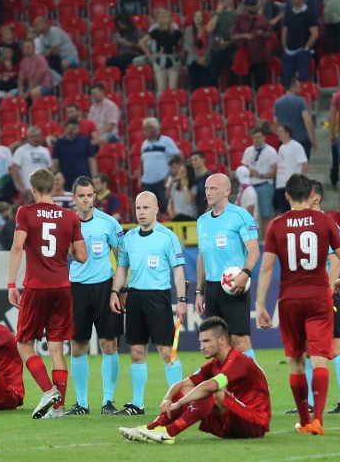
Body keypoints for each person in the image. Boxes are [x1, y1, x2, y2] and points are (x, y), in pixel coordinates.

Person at [255, 173, 340, 436]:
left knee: (296, 360)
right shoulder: (325, 221)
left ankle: (304, 419)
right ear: (311, 195)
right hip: (320, 296)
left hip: (290, 298)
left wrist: (260, 304)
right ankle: (318, 419)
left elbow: (266, 268)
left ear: (286, 196)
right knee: (320, 357)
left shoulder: (276, 225)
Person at [7, 168, 87, 419]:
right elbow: (82, 256)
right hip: (62, 287)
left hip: (36, 287)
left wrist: (11, 284)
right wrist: (65, 250)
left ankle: (47, 390)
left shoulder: (25, 212)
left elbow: (18, 245)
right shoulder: (70, 216)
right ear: (54, 188)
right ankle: (59, 407)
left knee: (24, 344)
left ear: (32, 189)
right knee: (56, 348)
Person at [118, 316, 270, 444]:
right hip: (232, 420)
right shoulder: (215, 364)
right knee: (188, 390)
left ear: (222, 340)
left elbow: (211, 386)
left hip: (255, 422)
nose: (201, 347)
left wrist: (180, 403)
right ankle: (150, 429)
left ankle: (168, 433)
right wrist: (167, 398)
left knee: (213, 393)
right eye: (200, 342)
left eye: (206, 341)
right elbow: (184, 384)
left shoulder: (238, 360)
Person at [109, 191, 187, 416]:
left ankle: (179, 401)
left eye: (145, 208)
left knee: (166, 352)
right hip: (135, 298)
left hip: (158, 298)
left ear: (156, 209)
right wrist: (115, 292)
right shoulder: (129, 238)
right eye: (138, 208)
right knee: (136, 351)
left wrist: (181, 300)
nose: (141, 212)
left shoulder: (167, 237)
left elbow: (178, 271)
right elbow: (122, 267)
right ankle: (137, 404)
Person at [63, 176, 125, 416]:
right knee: (77, 345)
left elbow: (122, 257)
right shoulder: (66, 224)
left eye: (90, 195)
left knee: (109, 344)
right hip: (75, 289)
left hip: (104, 288)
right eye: (81, 195)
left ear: (95, 196)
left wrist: (120, 289)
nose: (86, 199)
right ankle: (81, 404)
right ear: (74, 198)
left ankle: (108, 402)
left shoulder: (109, 223)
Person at [195, 173, 260, 360]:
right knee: (216, 344)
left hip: (234, 286)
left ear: (227, 191)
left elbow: (254, 250)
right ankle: (226, 387)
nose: (208, 192)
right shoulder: (202, 221)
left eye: (213, 188)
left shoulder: (240, 216)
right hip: (212, 288)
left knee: (240, 340)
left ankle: (256, 384)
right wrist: (199, 291)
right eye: (207, 188)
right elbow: (202, 257)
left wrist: (245, 273)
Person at [140, 117, 181, 213]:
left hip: (162, 181)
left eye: (146, 128)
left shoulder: (166, 141)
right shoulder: (144, 144)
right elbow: (142, 161)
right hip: (147, 182)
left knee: (167, 206)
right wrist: (140, 177)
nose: (143, 131)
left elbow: (178, 157)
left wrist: (170, 175)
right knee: (148, 209)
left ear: (154, 128)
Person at [241, 127, 277, 235]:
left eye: (259, 137)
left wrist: (260, 175)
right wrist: (248, 171)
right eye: (254, 138)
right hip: (250, 186)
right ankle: (253, 239)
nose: (256, 140)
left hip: (265, 184)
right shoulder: (248, 151)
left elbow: (274, 171)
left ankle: (266, 240)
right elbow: (243, 167)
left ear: (264, 137)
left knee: (265, 214)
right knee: (250, 215)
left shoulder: (271, 151)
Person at [230, 0, 271, 89]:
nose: (254, 8)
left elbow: (270, 34)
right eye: (251, 6)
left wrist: (263, 34)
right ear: (245, 7)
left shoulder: (262, 19)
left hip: (260, 56)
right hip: (245, 57)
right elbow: (232, 36)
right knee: (245, 86)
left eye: (255, 5)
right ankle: (247, 103)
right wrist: (244, 36)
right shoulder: (239, 19)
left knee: (261, 86)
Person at [139, 9, 183, 95]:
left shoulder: (176, 32)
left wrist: (179, 53)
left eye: (165, 17)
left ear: (170, 18)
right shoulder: (155, 31)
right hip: (160, 59)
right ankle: (161, 106)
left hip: (173, 59)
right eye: (161, 17)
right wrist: (149, 54)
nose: (164, 19)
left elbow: (181, 44)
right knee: (161, 87)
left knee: (173, 87)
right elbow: (141, 42)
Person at [280, 0, 318, 85]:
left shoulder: (309, 13)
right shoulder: (289, 13)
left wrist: (306, 48)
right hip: (289, 51)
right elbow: (284, 31)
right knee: (287, 77)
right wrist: (285, 47)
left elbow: (314, 33)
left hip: (302, 50)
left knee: (303, 76)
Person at [274, 79, 317, 159]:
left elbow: (275, 122)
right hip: (301, 140)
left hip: (285, 141)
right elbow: (307, 120)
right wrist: (313, 138)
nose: (300, 89)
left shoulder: (277, 102)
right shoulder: (301, 101)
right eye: (299, 87)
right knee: (302, 168)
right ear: (293, 87)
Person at [10, 127, 53, 205]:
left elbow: (50, 170)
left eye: (36, 136)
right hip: (28, 190)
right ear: (27, 137)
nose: (34, 139)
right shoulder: (21, 150)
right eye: (31, 136)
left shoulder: (45, 151)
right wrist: (21, 187)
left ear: (40, 136)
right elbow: (14, 170)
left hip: (43, 190)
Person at [274, 124, 309, 214]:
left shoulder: (296, 146)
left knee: (293, 212)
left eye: (280, 131)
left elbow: (304, 165)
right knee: (284, 213)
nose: (278, 133)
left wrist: (300, 182)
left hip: (291, 185)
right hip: (280, 185)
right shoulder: (281, 147)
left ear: (287, 133)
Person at [52, 120, 96, 189]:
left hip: (83, 179)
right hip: (65, 180)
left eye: (76, 129)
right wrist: (54, 179)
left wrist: (94, 178)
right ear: (66, 129)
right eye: (71, 129)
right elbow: (55, 162)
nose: (74, 131)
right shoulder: (59, 143)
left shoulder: (85, 141)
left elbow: (91, 160)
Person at [184, 10, 211, 90]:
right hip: (193, 59)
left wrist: (204, 57)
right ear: (193, 18)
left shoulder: (207, 29)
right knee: (194, 83)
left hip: (205, 60)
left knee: (204, 82)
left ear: (203, 18)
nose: (197, 18)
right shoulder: (188, 30)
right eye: (196, 16)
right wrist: (198, 58)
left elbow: (210, 45)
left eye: (200, 16)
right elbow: (187, 45)